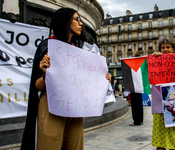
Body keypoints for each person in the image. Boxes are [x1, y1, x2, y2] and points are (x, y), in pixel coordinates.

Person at [21, 7, 111, 150]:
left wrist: (102, 78)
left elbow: (84, 81)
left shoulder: (77, 51)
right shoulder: (47, 46)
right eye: (77, 19)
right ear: (65, 21)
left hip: (74, 109)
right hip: (52, 107)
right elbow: (37, 86)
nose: (81, 24)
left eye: (81, 20)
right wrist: (45, 74)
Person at [151, 35, 175, 150]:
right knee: (160, 141)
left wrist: (168, 58)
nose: (165, 50)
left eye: (168, 47)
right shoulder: (154, 62)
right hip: (160, 106)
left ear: (174, 49)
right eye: (163, 48)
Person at [129, 54, 143, 126]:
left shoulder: (134, 67)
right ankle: (140, 120)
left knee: (135, 105)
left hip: (134, 88)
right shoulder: (141, 67)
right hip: (140, 88)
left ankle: (137, 121)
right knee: (139, 104)